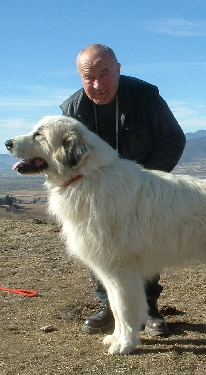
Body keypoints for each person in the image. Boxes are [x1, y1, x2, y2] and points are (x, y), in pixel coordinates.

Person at [60, 44, 186, 337]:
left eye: (105, 74)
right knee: (98, 248)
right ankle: (109, 306)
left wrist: (146, 181)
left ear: (118, 69)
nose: (97, 84)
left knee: (146, 245)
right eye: (88, 77)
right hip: (96, 196)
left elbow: (173, 139)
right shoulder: (71, 110)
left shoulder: (145, 97)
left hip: (143, 190)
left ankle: (150, 309)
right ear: (80, 78)